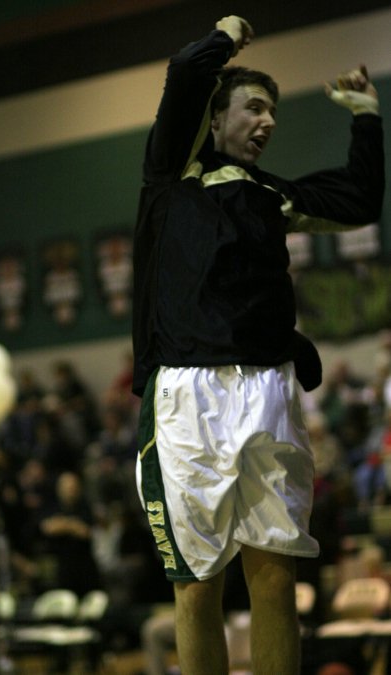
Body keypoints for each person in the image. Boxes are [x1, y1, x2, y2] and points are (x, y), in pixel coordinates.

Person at [132, 14, 384, 675]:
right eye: (253, 108)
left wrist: (364, 117)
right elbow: (187, 73)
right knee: (197, 584)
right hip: (186, 394)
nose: (267, 121)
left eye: (272, 111)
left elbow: (358, 201)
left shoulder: (273, 196)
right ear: (214, 120)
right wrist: (226, 35)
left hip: (269, 389)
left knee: (275, 579)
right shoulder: (173, 176)